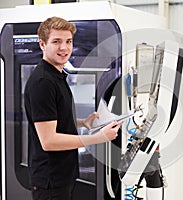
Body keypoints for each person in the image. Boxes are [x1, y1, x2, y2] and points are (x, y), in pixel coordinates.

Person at [24, 16, 120, 200]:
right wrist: (99, 138)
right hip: (51, 181)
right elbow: (49, 140)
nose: (64, 48)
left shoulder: (56, 75)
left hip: (61, 176)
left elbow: (50, 118)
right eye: (56, 42)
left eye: (68, 41)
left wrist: (83, 122)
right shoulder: (43, 81)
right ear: (42, 44)